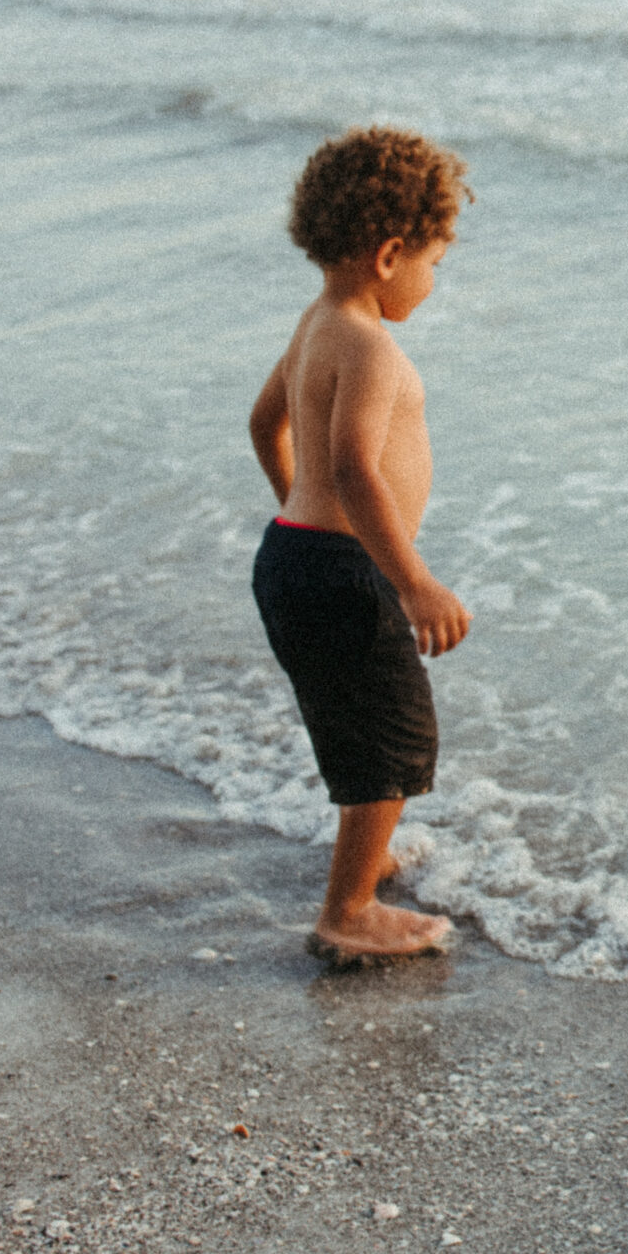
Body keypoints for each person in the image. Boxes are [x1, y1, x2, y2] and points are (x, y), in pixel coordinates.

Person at [249, 126, 475, 966]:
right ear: (389, 253)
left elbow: (263, 424)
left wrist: (297, 522)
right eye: (434, 263)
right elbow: (351, 468)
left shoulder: (315, 324)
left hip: (294, 555)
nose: (432, 280)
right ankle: (348, 909)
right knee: (391, 743)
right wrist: (412, 580)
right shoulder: (372, 348)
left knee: (352, 724)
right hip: (343, 571)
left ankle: (365, 860)